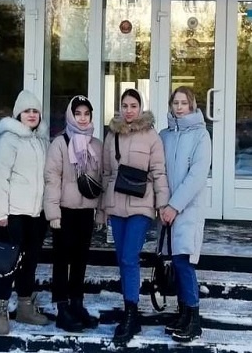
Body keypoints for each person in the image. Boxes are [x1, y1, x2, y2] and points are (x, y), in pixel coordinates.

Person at [99, 88, 170, 346]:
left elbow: (159, 172)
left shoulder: (151, 136)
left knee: (130, 256)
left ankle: (131, 313)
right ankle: (130, 309)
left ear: (141, 108)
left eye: (133, 106)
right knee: (123, 259)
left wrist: (162, 204)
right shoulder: (112, 135)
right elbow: (106, 174)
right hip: (116, 205)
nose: (129, 110)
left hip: (141, 205)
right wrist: (102, 209)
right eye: (125, 106)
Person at [0, 90, 51, 335]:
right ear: (18, 114)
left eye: (35, 111)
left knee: (29, 263)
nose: (32, 115)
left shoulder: (42, 142)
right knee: (6, 264)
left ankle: (25, 307)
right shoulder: (8, 141)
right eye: (27, 111)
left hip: (36, 214)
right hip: (11, 215)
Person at [44, 95, 102, 332]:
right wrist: (53, 213)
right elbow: (51, 178)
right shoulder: (60, 143)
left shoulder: (96, 144)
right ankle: (62, 308)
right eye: (78, 113)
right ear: (70, 115)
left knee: (80, 260)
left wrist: (100, 213)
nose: (82, 118)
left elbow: (100, 180)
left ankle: (77, 303)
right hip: (64, 211)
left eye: (86, 114)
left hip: (86, 211)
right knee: (61, 260)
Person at [158, 86, 212, 343]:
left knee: (184, 261)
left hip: (187, 208)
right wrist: (162, 204)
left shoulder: (201, 135)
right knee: (175, 261)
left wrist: (175, 205)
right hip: (167, 210)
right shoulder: (165, 135)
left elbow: (197, 176)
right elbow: (158, 172)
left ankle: (193, 319)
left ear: (192, 105)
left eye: (183, 103)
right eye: (175, 103)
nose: (179, 107)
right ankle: (182, 314)